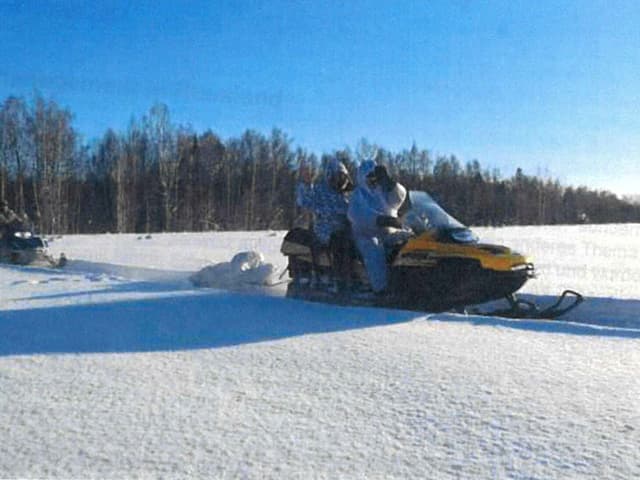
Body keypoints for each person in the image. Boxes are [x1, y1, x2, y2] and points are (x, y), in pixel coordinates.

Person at [347, 160, 407, 295]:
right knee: (374, 250)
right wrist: (381, 219)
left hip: (388, 232)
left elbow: (398, 198)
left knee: (409, 239)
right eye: (370, 177)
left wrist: (390, 183)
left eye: (376, 177)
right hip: (366, 235)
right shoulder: (358, 194)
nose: (373, 180)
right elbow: (358, 214)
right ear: (363, 178)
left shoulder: (382, 190)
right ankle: (381, 289)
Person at [296, 158, 354, 291]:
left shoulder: (348, 194)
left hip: (348, 229)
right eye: (338, 177)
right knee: (340, 243)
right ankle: (339, 279)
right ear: (330, 176)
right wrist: (305, 184)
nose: (341, 180)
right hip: (325, 230)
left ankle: (358, 278)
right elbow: (305, 201)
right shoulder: (321, 190)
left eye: (343, 177)